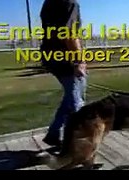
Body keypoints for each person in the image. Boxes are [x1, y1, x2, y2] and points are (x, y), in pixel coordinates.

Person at [39, 0, 87, 147]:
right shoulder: (69, 3)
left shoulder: (48, 3)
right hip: (67, 60)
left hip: (51, 57)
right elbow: (69, 34)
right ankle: (77, 145)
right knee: (76, 103)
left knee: (71, 98)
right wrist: (79, 61)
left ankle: (54, 134)